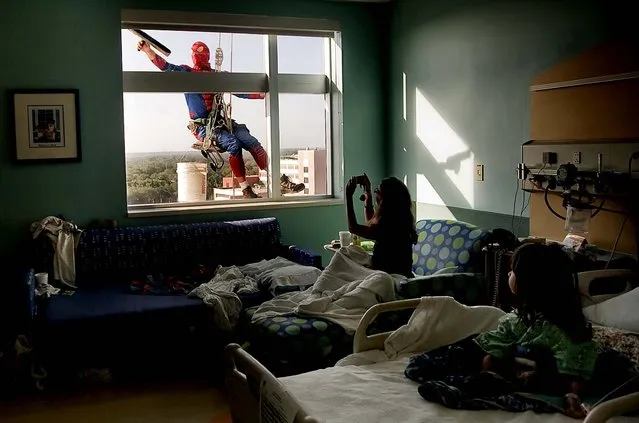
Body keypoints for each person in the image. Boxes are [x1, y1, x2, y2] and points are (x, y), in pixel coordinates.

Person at [405, 243, 597, 419]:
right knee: (430, 363)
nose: (508, 274)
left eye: (512, 271)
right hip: (496, 352)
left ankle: (456, 385)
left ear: (531, 281)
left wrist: (570, 394)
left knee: (434, 367)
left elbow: (572, 374)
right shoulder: (536, 318)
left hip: (510, 364)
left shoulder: (557, 331)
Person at [137, 40, 305, 199]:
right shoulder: (187, 73)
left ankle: (280, 180)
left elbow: (239, 91)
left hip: (222, 122)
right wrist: (148, 50)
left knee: (250, 141)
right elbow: (165, 67)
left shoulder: (217, 76)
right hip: (204, 128)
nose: (199, 56)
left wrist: (262, 94)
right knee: (234, 144)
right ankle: (246, 189)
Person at [345, 174, 417, 278]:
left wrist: (348, 195)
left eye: (377, 192)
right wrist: (367, 193)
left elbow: (353, 228)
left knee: (344, 254)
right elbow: (371, 222)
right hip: (399, 275)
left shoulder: (389, 225)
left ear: (387, 200)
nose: (376, 196)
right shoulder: (400, 219)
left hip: (388, 278)